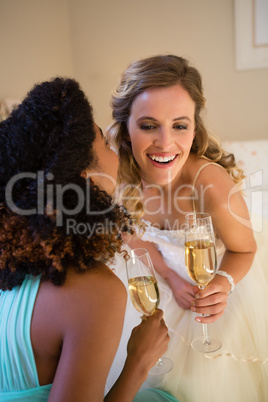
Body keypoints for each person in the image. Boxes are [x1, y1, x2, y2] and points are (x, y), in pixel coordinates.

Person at [0, 77, 179, 402]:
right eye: (106, 145)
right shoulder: (96, 292)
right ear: (84, 176)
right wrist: (139, 361)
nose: (117, 153)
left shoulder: (12, 262)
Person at [106, 55, 268, 401]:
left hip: (220, 281)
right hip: (164, 281)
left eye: (179, 125)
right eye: (148, 126)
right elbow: (132, 236)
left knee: (199, 383)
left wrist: (222, 285)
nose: (165, 143)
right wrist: (171, 276)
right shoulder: (118, 174)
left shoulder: (210, 183)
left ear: (195, 127)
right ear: (125, 127)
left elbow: (245, 249)